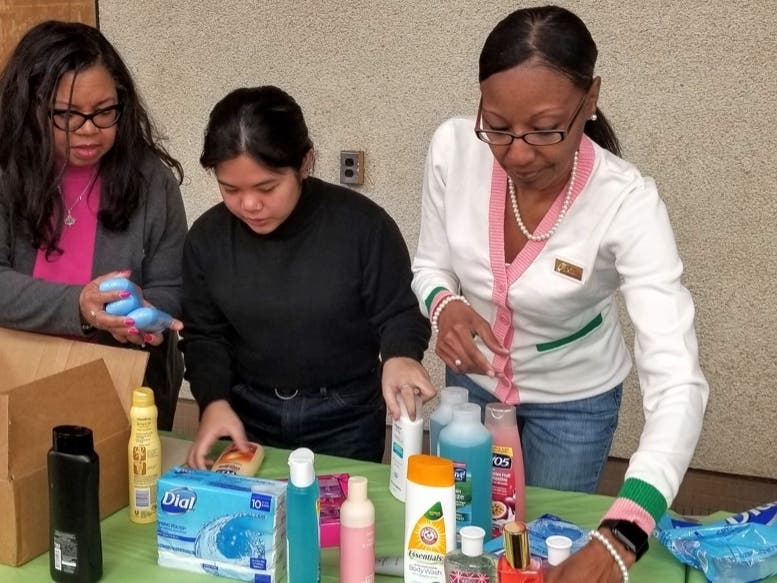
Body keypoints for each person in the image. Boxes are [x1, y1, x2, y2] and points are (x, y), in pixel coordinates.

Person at [411, 6, 708, 582]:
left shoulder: (627, 202)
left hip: (575, 402)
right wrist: (443, 306)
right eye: (496, 126)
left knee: (547, 549)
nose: (518, 153)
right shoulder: (452, 147)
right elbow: (430, 264)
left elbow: (678, 380)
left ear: (590, 99)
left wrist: (624, 530)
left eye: (547, 129)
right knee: (466, 538)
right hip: (470, 389)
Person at [182, 86, 434, 466]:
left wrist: (400, 355)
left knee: (341, 520)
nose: (250, 204)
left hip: (344, 414)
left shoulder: (362, 226)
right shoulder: (208, 238)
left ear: (305, 163)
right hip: (246, 412)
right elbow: (204, 334)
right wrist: (213, 402)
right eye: (230, 189)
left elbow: (398, 312)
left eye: (267, 187)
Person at [0, 21, 187, 430]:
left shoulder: (150, 179)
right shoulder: (6, 174)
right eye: (66, 115)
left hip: (124, 386)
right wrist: (80, 306)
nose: (89, 130)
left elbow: (174, 286)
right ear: (28, 106)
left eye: (105, 111)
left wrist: (142, 313)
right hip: (15, 379)